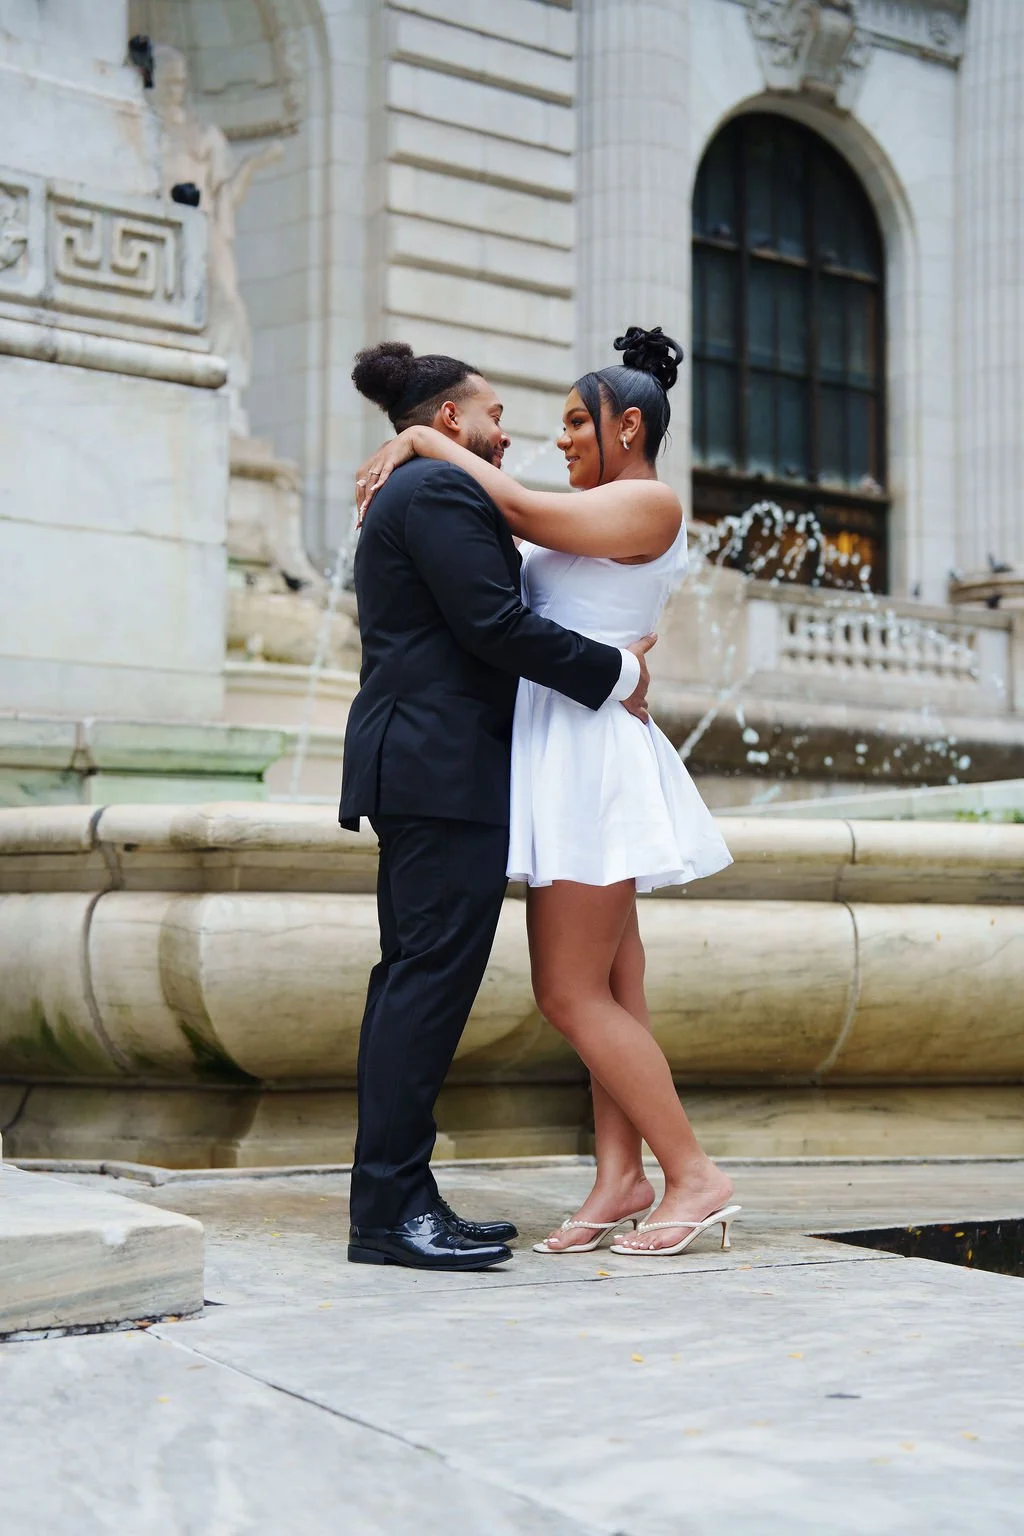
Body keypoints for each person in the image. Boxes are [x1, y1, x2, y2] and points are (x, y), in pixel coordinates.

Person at [356, 326, 740, 1259]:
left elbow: (521, 514)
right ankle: (621, 1176)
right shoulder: (599, 504)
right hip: (557, 748)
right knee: (613, 984)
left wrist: (419, 439)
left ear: (630, 425)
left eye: (578, 422)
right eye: (552, 421)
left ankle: (694, 1175)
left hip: (591, 755)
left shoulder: (650, 503)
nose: (557, 437)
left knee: (568, 992)